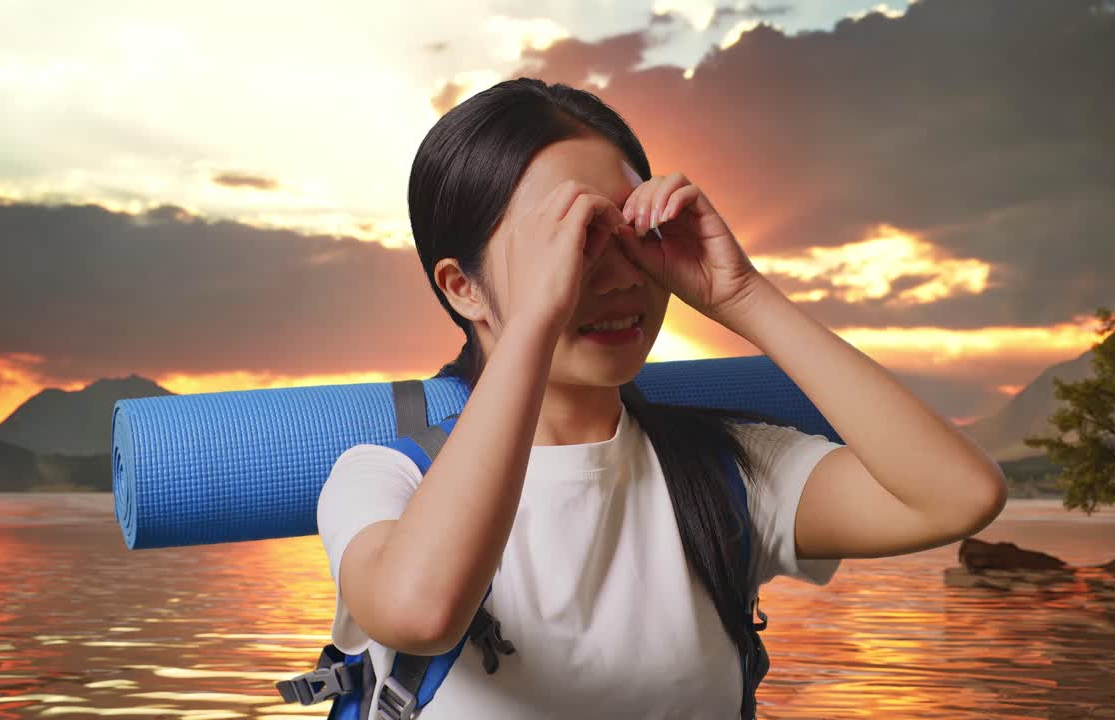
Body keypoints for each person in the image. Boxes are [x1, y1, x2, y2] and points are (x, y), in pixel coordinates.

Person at [316, 77, 1008, 719]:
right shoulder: (384, 479)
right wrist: (536, 319)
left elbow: (960, 495)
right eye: (570, 242)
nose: (618, 277)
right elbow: (423, 612)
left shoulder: (727, 474)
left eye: (633, 233)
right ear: (463, 288)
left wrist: (744, 295)